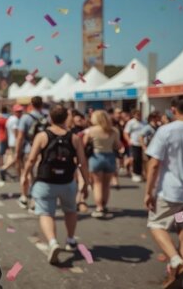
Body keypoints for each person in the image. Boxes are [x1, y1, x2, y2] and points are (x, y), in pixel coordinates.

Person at [24, 105, 89, 264]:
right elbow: (82, 162)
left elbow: (32, 159)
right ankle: (71, 239)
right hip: (67, 181)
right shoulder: (74, 137)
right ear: (66, 118)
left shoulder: (42, 135)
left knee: (46, 213)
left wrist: (25, 174)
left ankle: (52, 242)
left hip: (45, 181)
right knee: (70, 210)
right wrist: (86, 183)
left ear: (50, 118)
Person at [144, 96, 183, 289]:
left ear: (173, 109)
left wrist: (148, 192)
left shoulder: (166, 131)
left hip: (171, 192)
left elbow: (154, 163)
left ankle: (176, 261)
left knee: (156, 224)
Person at [84, 110, 121, 218]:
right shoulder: (114, 130)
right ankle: (104, 205)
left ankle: (99, 207)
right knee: (106, 184)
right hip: (109, 156)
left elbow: (84, 144)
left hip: (96, 157)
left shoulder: (91, 130)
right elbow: (118, 145)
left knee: (97, 184)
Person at [16, 96, 48, 209]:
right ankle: (35, 199)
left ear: (31, 104)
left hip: (28, 149)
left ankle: (24, 197)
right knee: (38, 175)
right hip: (44, 150)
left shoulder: (26, 117)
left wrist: (17, 152)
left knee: (26, 173)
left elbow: (20, 137)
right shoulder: (46, 117)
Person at [1, 104, 24, 180]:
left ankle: (19, 174)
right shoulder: (15, 120)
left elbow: (7, 131)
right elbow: (16, 132)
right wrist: (19, 141)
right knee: (16, 158)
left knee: (16, 159)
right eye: (18, 111)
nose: (20, 113)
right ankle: (4, 168)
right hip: (15, 142)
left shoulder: (10, 119)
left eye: (20, 111)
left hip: (11, 141)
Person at [125, 109, 145, 183]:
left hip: (143, 143)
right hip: (134, 143)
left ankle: (141, 173)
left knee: (142, 159)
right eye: (137, 114)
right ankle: (136, 173)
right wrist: (129, 140)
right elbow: (126, 132)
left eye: (140, 114)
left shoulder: (144, 122)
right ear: (134, 115)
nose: (139, 116)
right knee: (136, 158)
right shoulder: (131, 123)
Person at [0, 106, 9, 180]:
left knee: (0, 154)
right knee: (7, 154)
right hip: (8, 138)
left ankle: (1, 167)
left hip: (0, 137)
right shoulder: (9, 118)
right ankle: (5, 167)